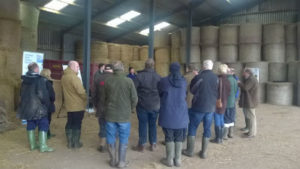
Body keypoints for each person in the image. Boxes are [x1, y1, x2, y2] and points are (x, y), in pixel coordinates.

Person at [102, 61, 138, 168]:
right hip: (124, 116)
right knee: (123, 138)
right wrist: (130, 109)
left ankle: (113, 160)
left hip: (110, 115)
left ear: (113, 69)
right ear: (123, 69)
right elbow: (134, 99)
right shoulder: (129, 81)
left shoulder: (107, 81)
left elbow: (104, 98)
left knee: (110, 136)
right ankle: (121, 162)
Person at [182, 60, 218, 159]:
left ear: (203, 66)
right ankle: (204, 152)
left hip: (198, 106)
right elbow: (218, 92)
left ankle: (189, 151)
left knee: (193, 127)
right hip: (211, 107)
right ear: (212, 67)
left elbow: (192, 89)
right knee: (207, 129)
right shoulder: (216, 78)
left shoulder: (199, 77)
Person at [158, 62, 189, 167]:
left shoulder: (163, 81)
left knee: (169, 136)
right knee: (179, 136)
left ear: (170, 69)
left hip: (168, 112)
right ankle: (178, 160)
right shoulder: (184, 81)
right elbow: (186, 94)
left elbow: (160, 93)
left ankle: (169, 160)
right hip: (181, 113)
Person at [18, 62, 54, 152]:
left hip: (27, 107)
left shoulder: (24, 80)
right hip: (38, 108)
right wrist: (46, 105)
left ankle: (33, 145)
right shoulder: (39, 80)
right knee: (43, 124)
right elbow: (43, 95)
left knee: (30, 124)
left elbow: (21, 94)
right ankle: (43, 146)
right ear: (36, 69)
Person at [132, 59, 161, 152]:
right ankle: (153, 144)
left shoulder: (139, 76)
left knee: (142, 124)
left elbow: (133, 90)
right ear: (153, 65)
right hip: (155, 105)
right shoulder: (158, 77)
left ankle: (142, 145)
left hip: (142, 104)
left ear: (145, 65)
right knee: (153, 124)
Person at [61, 61, 87, 149]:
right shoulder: (74, 78)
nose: (78, 68)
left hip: (69, 104)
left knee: (70, 122)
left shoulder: (64, 77)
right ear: (71, 67)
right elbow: (81, 91)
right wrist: (85, 97)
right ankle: (76, 143)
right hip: (77, 105)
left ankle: (69, 142)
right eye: (77, 66)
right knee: (77, 123)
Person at [93, 64, 113, 152]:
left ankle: (102, 144)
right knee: (112, 126)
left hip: (101, 107)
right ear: (112, 70)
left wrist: (95, 106)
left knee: (102, 125)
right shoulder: (116, 79)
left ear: (104, 69)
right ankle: (111, 145)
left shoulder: (98, 79)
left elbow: (94, 94)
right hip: (113, 108)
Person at [210, 64, 231, 144]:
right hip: (225, 102)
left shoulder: (218, 79)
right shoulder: (228, 80)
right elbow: (229, 92)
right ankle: (221, 137)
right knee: (222, 118)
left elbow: (214, 91)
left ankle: (218, 138)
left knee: (217, 119)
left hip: (218, 102)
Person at [238, 68, 259, 138]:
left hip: (251, 102)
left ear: (248, 73)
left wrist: (239, 83)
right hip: (249, 101)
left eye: (244, 73)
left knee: (252, 117)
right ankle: (250, 131)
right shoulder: (250, 79)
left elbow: (246, 88)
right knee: (249, 117)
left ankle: (252, 133)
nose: (243, 74)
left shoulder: (252, 79)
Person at [40, 69, 56, 139]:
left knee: (42, 119)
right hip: (48, 104)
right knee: (47, 120)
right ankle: (45, 135)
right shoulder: (48, 83)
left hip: (40, 104)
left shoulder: (38, 82)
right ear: (47, 74)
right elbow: (51, 95)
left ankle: (47, 133)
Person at [223, 68, 238, 140]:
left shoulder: (225, 80)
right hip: (232, 101)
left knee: (226, 117)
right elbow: (235, 91)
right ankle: (231, 133)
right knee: (232, 116)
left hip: (226, 102)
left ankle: (225, 135)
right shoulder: (235, 80)